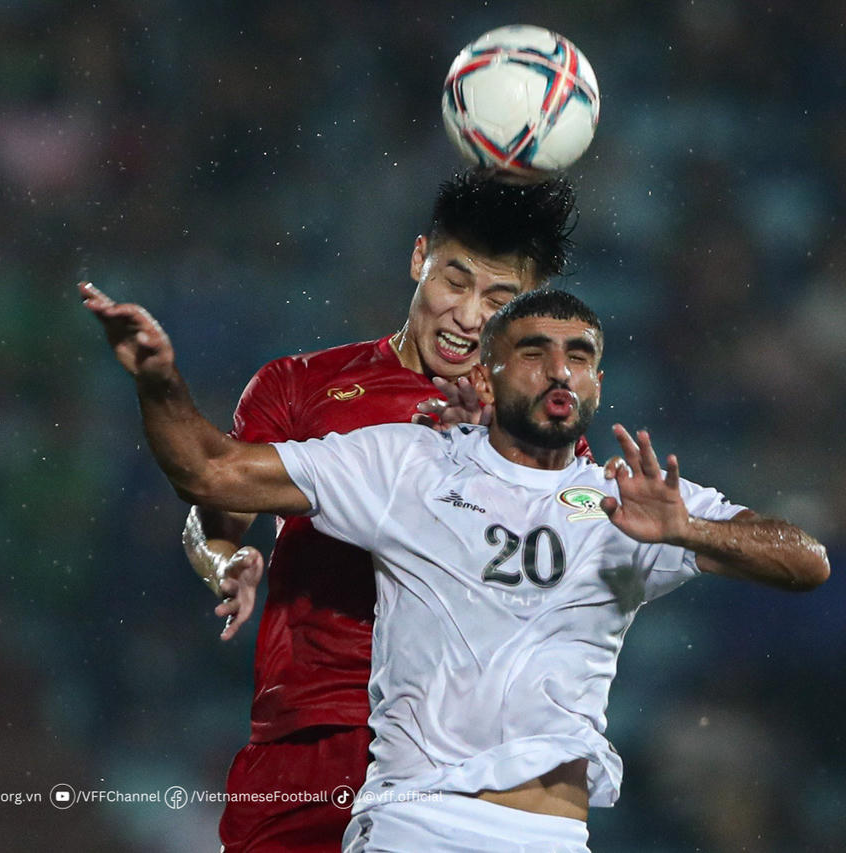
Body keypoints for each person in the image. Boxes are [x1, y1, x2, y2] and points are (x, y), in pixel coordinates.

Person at [82, 283, 830, 851]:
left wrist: (687, 528)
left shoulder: (632, 501)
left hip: (551, 838)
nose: (559, 370)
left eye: (579, 356)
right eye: (534, 352)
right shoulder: (411, 464)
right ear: (490, 374)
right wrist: (158, 380)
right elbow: (212, 472)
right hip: (417, 826)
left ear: (599, 383)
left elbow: (807, 562)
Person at [178, 170, 583, 851]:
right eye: (455, 281)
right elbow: (213, 513)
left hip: (453, 759)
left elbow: (554, 568)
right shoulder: (299, 386)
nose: (468, 316)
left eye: (498, 299)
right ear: (419, 257)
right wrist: (225, 561)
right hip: (308, 739)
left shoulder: (536, 428)